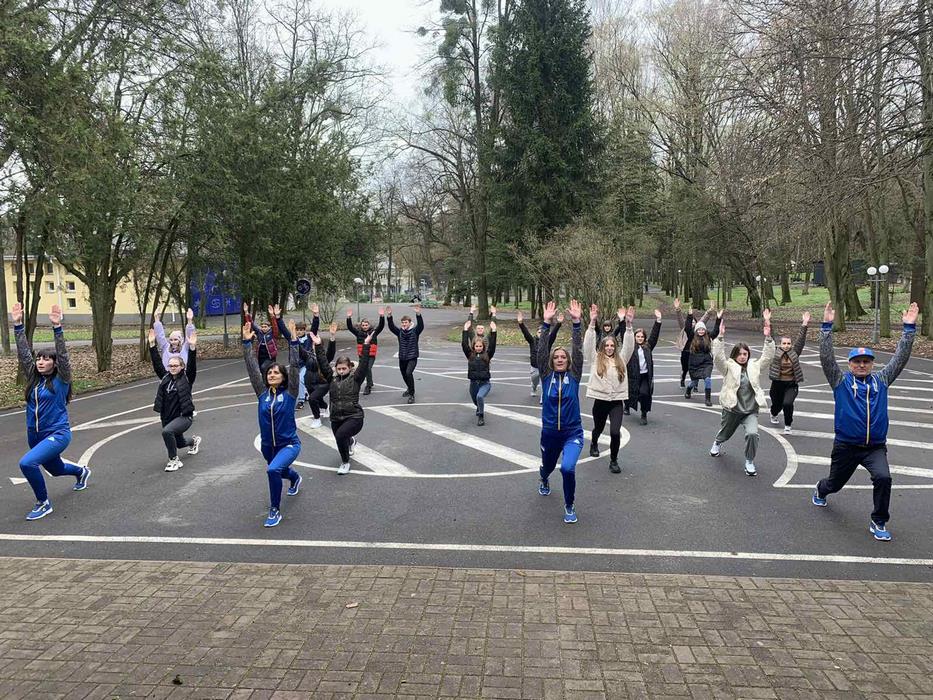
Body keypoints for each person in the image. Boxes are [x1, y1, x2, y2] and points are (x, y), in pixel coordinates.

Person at [812, 302, 919, 542]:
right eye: (857, 361)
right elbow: (826, 358)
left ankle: (878, 521)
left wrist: (909, 330)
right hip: (846, 447)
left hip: (875, 447)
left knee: (884, 478)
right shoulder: (840, 381)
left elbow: (900, 359)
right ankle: (821, 489)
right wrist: (826, 327)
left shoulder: (881, 380)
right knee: (834, 484)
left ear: (872, 364)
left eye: (866, 361)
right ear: (850, 364)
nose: (862, 365)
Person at [13, 302, 90, 520]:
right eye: (39, 358)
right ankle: (81, 472)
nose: (40, 362)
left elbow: (63, 356)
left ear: (54, 364)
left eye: (46, 359)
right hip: (34, 435)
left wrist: (57, 328)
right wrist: (18, 325)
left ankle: (43, 503)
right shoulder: (33, 378)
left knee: (27, 463)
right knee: (55, 470)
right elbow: (24, 354)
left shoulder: (61, 380)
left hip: (57, 433)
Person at [243, 319, 302, 528]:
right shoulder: (262, 394)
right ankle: (295, 478)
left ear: (283, 377)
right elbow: (252, 370)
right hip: (268, 446)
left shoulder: (291, 393)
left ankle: (275, 510)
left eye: (276, 372)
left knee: (273, 470)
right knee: (280, 470)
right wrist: (247, 343)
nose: (272, 374)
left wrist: (294, 343)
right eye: (269, 372)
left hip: (289, 444)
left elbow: (295, 367)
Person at [709, 311, 775, 476]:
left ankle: (749, 461)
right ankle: (717, 442)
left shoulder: (754, 366)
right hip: (732, 409)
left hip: (750, 410)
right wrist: (720, 337)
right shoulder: (728, 367)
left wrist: (768, 338)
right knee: (725, 433)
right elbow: (718, 358)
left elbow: (767, 357)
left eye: (745, 354)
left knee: (752, 434)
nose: (743, 356)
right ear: (735, 355)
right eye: (739, 354)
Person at [537, 299, 585, 524]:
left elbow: (578, 350)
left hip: (572, 432)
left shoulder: (574, 376)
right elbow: (541, 351)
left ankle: (569, 504)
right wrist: (546, 324)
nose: (559, 359)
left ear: (568, 361)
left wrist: (576, 324)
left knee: (567, 468)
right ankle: (544, 477)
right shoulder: (546, 377)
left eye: (563, 357)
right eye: (556, 357)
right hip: (549, 433)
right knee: (547, 467)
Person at [313, 328, 374, 475]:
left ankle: (345, 463)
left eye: (344, 368)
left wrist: (366, 345)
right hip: (336, 417)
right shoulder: (331, 378)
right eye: (339, 369)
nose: (341, 371)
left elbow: (364, 364)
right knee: (340, 438)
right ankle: (351, 442)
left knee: (340, 436)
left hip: (354, 416)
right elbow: (323, 363)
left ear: (350, 368)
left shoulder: (356, 378)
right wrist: (318, 345)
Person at [584, 304, 635, 473]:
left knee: (614, 432)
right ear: (602, 347)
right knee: (598, 428)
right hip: (600, 401)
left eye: (612, 346)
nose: (609, 348)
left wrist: (628, 326)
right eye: (606, 346)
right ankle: (594, 442)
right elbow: (588, 345)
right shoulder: (595, 359)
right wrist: (592, 323)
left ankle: (614, 460)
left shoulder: (622, 360)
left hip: (616, 402)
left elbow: (629, 346)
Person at [149, 326, 201, 472]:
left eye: (175, 365)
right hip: (167, 417)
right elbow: (157, 363)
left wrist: (192, 348)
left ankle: (174, 460)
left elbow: (192, 366)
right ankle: (194, 441)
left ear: (181, 366)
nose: (172, 367)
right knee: (180, 443)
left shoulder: (187, 378)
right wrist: (152, 345)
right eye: (170, 365)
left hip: (184, 417)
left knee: (167, 432)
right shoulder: (165, 377)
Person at [767, 312, 810, 435]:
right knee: (777, 405)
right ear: (780, 344)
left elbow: (801, 340)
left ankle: (788, 425)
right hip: (777, 384)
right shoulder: (775, 351)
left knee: (787, 403)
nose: (786, 346)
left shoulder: (795, 352)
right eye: (784, 343)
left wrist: (805, 323)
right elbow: (770, 337)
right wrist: (768, 321)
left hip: (791, 384)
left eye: (788, 343)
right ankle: (774, 413)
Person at [297, 320, 337, 428]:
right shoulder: (308, 355)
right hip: (310, 383)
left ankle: (317, 418)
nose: (314, 345)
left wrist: (332, 336)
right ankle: (326, 407)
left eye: (316, 344)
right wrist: (293, 336)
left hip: (322, 383)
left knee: (312, 399)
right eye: (313, 344)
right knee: (318, 401)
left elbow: (331, 351)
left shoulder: (324, 357)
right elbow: (299, 349)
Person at [626, 309, 662, 425]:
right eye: (638, 336)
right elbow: (623, 334)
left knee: (644, 394)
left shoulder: (648, 347)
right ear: (634, 337)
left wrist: (658, 320)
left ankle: (644, 413)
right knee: (630, 393)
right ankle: (626, 406)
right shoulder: (631, 347)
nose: (640, 338)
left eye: (642, 336)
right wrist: (625, 322)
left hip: (645, 376)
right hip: (633, 376)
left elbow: (654, 335)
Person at [517, 310, 562, 400]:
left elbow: (553, 334)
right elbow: (526, 333)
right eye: (539, 332)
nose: (541, 334)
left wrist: (559, 323)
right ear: (536, 333)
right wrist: (521, 323)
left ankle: (543, 396)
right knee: (535, 380)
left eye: (542, 332)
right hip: (535, 366)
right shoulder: (532, 341)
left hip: (546, 366)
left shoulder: (548, 341)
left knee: (545, 381)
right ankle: (533, 387)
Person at [462, 316, 497, 425]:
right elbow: (464, 344)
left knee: (479, 396)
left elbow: (493, 345)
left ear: (483, 346)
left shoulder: (487, 355)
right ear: (473, 346)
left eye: (480, 346)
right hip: (473, 384)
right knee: (475, 400)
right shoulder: (470, 355)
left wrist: (494, 331)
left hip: (484, 383)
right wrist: (465, 330)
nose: (478, 348)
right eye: (476, 346)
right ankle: (479, 407)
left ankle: (481, 416)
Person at [387, 303, 424, 403]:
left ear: (410, 323)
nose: (404, 324)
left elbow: (421, 326)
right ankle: (409, 388)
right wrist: (389, 316)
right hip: (402, 357)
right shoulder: (400, 332)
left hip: (412, 357)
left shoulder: (415, 331)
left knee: (408, 373)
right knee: (404, 374)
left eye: (406, 322)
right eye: (402, 323)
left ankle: (412, 394)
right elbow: (391, 327)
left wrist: (418, 314)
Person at [685, 309, 721, 406]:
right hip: (694, 363)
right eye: (699, 329)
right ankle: (688, 389)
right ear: (696, 330)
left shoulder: (708, 336)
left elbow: (716, 331)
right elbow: (687, 328)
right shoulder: (692, 336)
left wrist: (718, 319)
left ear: (705, 330)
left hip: (706, 362)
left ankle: (707, 399)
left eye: (703, 329)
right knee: (694, 381)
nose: (701, 331)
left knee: (707, 379)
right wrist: (690, 315)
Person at [347, 306, 385, 395]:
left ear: (369, 325)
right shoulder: (358, 333)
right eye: (363, 325)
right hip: (362, 355)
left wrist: (382, 316)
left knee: (368, 368)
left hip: (371, 355)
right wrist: (349, 318)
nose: (364, 327)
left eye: (366, 325)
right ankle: (368, 382)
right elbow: (350, 327)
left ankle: (368, 386)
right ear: (361, 326)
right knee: (362, 370)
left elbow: (381, 326)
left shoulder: (373, 333)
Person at [675, 300, 712, 387]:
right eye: (691, 322)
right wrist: (678, 309)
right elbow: (680, 319)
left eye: (694, 322)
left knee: (696, 368)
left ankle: (695, 385)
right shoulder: (685, 328)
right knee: (685, 368)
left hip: (695, 352)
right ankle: (683, 378)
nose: (692, 323)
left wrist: (709, 311)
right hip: (686, 351)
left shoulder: (698, 330)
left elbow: (704, 319)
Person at [293, 304, 321, 410]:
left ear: (305, 330)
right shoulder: (293, 339)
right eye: (297, 330)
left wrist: (316, 316)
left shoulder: (309, 338)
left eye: (301, 330)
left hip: (307, 364)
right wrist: (277, 318)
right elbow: (283, 330)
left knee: (301, 379)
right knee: (298, 381)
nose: (299, 332)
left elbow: (314, 328)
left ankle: (300, 401)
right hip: (296, 364)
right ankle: (305, 393)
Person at [244, 302, 280, 371]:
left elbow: (275, 326)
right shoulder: (259, 332)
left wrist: (272, 315)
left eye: (265, 327)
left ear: (269, 327)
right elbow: (251, 324)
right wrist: (246, 312)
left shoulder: (273, 333)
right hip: (260, 356)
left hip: (270, 357)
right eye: (262, 327)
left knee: (264, 368)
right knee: (261, 370)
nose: (264, 328)